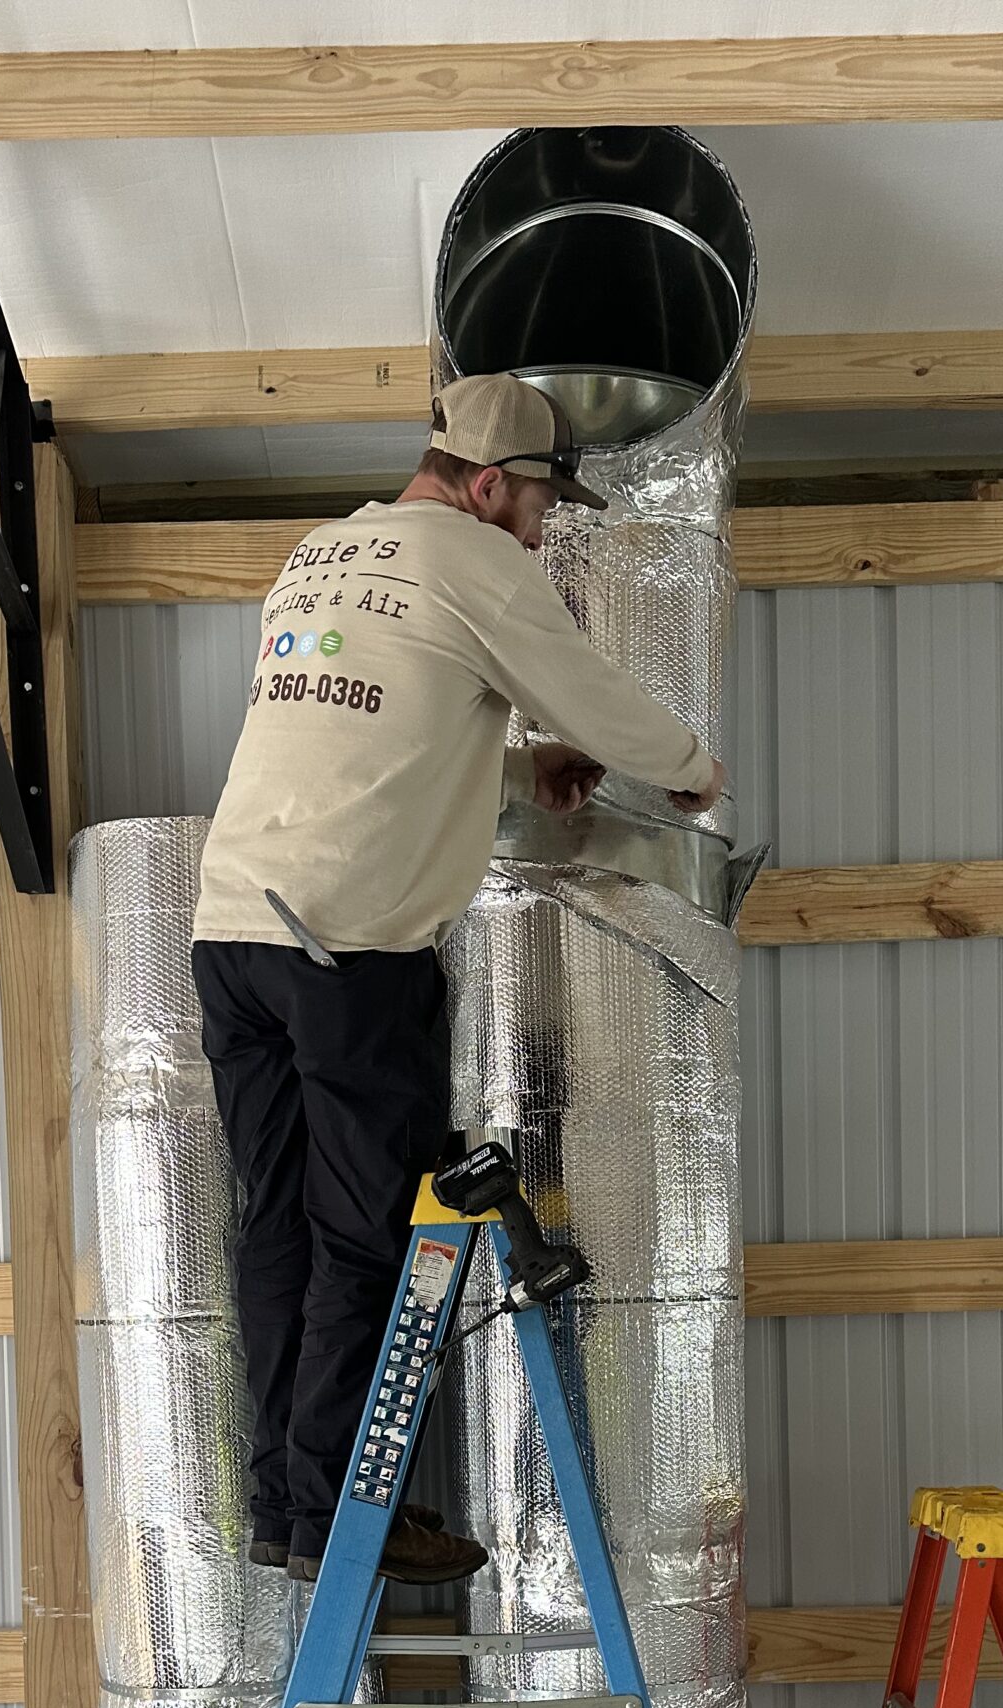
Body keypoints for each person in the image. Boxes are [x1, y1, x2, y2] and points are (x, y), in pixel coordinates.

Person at [190, 372, 728, 1587]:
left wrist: (522, 766)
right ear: (487, 484)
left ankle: (285, 1507)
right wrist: (687, 771)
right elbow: (593, 692)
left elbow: (372, 746)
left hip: (234, 936)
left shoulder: (320, 556)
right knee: (360, 1237)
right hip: (347, 953)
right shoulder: (477, 564)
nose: (544, 527)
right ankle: (338, 1518)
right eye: (538, 501)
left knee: (271, 1227)